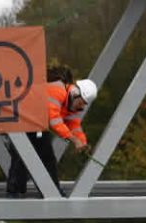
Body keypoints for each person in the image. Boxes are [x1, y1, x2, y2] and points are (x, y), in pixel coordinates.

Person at [7, 66, 98, 198]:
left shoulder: (72, 104)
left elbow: (75, 126)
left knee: (48, 158)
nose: (82, 107)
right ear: (75, 94)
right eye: (82, 103)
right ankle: (14, 191)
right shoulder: (57, 90)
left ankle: (52, 189)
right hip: (22, 120)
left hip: (37, 124)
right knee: (21, 157)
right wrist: (74, 140)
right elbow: (54, 121)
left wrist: (83, 143)